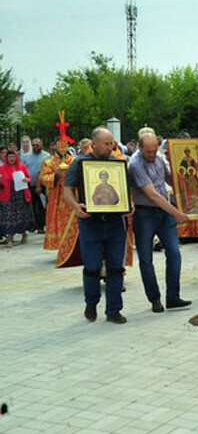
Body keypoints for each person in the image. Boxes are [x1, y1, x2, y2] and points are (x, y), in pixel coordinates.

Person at [63, 127, 130, 324]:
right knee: (91, 267)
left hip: (116, 223)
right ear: (94, 144)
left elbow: (126, 190)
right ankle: (91, 303)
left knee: (116, 268)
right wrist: (76, 206)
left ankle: (114, 310)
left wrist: (129, 203)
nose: (111, 147)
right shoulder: (79, 163)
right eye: (107, 144)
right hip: (90, 223)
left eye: (112, 143)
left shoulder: (118, 163)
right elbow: (68, 190)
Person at [129, 132, 192, 313]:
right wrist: (177, 213)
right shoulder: (135, 164)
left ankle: (173, 296)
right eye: (148, 152)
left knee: (174, 253)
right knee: (146, 259)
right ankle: (154, 299)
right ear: (140, 148)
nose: (152, 154)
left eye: (155, 150)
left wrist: (186, 189)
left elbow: (169, 178)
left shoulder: (158, 158)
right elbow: (153, 195)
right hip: (145, 214)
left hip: (164, 214)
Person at [40, 141, 75, 251]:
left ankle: (72, 246)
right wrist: (55, 176)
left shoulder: (73, 161)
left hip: (71, 196)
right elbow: (43, 177)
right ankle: (59, 246)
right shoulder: (49, 163)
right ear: (55, 147)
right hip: (56, 196)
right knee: (57, 222)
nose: (63, 148)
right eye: (60, 145)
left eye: (65, 145)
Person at [0, 150, 36, 246]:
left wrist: (26, 180)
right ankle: (10, 238)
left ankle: (24, 234)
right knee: (9, 217)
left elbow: (29, 178)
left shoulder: (22, 167)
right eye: (9, 157)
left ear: (16, 157)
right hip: (8, 195)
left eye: (13, 157)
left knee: (22, 216)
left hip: (21, 195)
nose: (11, 159)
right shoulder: (2, 168)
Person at [21, 137, 50, 233]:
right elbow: (22, 170)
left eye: (37, 145)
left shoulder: (47, 156)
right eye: (33, 145)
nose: (35, 147)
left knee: (41, 207)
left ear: (41, 145)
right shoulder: (25, 157)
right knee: (31, 207)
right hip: (29, 185)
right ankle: (32, 226)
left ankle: (41, 226)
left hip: (42, 186)